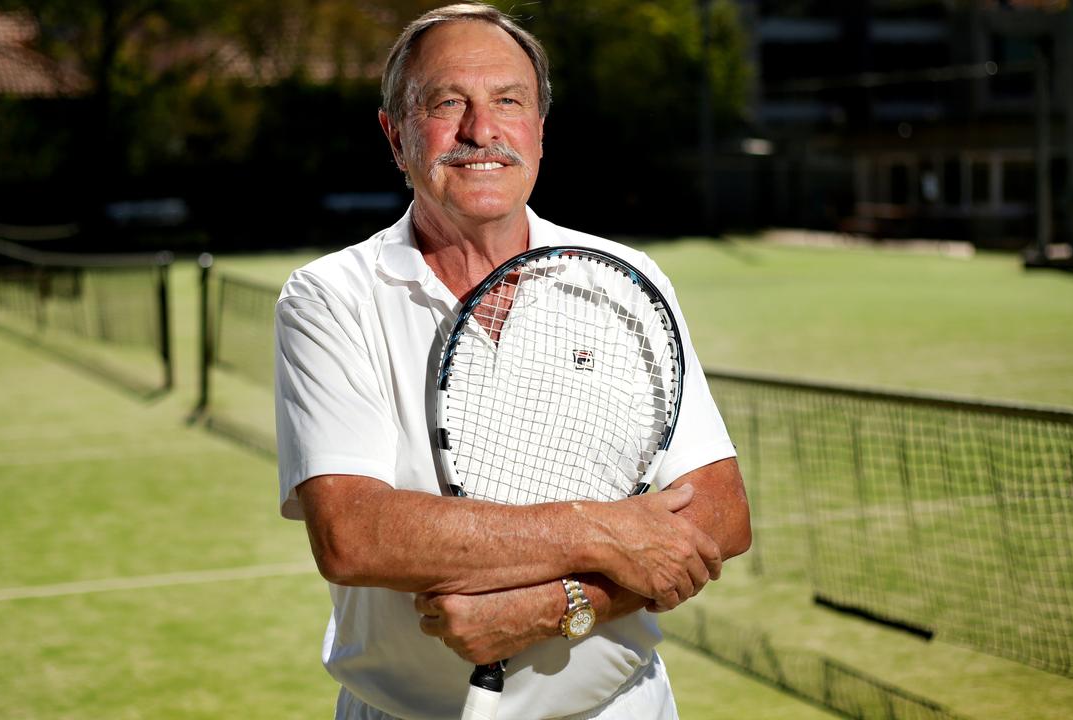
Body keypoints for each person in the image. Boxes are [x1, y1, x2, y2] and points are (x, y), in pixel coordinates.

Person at [273, 4, 751, 718]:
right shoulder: (328, 298)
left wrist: (565, 605)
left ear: (539, 131)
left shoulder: (626, 280)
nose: (480, 131)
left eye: (508, 101)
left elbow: (720, 511)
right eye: (446, 103)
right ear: (395, 136)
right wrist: (603, 530)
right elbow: (355, 533)